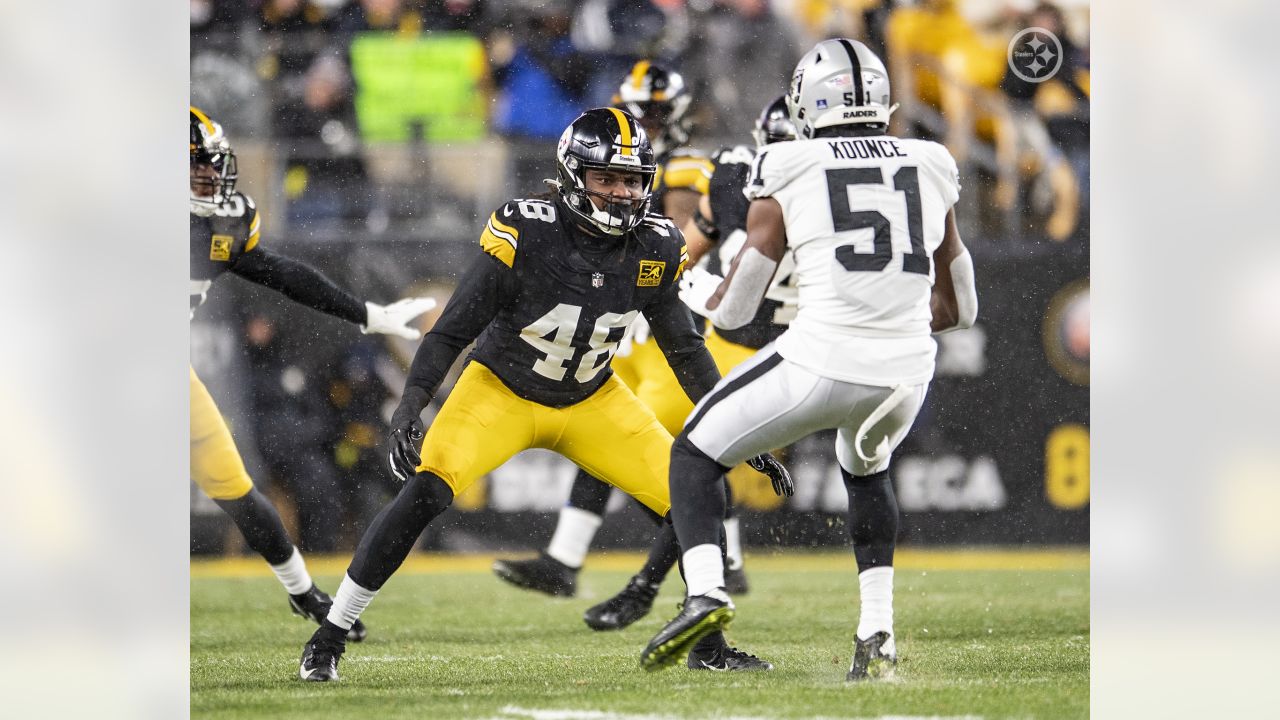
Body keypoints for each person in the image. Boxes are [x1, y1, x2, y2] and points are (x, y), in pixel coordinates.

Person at [296, 108, 788, 682]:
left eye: (632, 181)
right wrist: (412, 404)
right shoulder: (527, 228)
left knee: (694, 494)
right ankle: (330, 634)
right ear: (573, 174)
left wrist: (738, 426)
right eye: (606, 179)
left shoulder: (656, 244)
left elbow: (684, 349)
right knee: (426, 491)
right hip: (501, 389)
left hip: (591, 396)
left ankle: (708, 643)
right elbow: (453, 328)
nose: (621, 193)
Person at [638, 39, 978, 681]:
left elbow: (736, 312)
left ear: (807, 102)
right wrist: (891, 320)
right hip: (907, 371)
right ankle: (877, 635)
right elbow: (961, 305)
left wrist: (686, 286)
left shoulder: (788, 161)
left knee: (694, 453)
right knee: (866, 471)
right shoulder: (932, 160)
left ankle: (707, 591)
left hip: (822, 356)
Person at [491, 61, 761, 608]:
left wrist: (631, 278)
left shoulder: (683, 166)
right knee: (612, 429)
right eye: (641, 110)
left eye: (656, 112)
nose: (646, 121)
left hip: (663, 316)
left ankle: (723, 558)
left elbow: (681, 248)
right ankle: (566, 560)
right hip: (632, 318)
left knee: (678, 448)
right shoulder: (631, 159)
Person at [189, 107, 434, 643]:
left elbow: (285, 276)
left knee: (237, 490)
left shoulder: (219, 224)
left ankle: (304, 592)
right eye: (196, 168)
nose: (211, 177)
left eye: (212, 166)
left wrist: (365, 314)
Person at [572, 94, 802, 635]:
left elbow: (698, 260)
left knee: (693, 460)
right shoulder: (765, 177)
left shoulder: (737, 172)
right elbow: (685, 251)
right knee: (700, 459)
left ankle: (655, 585)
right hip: (792, 344)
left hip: (766, 344)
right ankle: (699, 575)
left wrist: (690, 290)